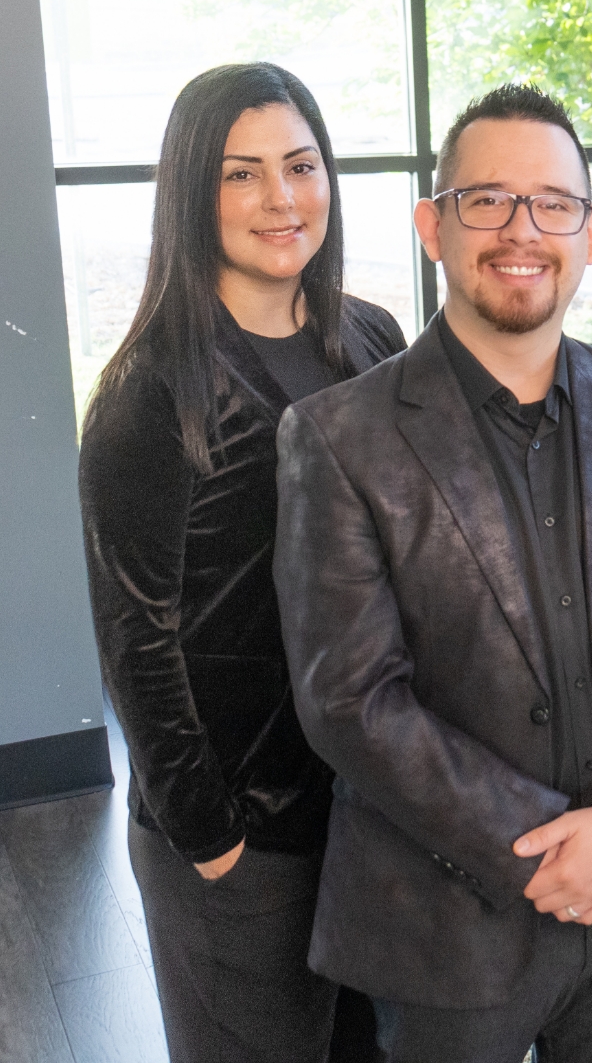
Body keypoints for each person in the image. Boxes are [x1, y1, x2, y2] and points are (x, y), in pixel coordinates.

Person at [273, 83, 592, 1063]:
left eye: (551, 204)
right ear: (431, 225)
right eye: (486, 199)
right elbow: (351, 699)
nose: (519, 229)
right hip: (443, 925)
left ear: (588, 232)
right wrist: (544, 847)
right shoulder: (337, 436)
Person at [80, 62, 407, 1063]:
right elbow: (138, 639)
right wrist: (209, 834)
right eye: (241, 173)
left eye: (301, 165)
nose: (282, 197)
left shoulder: (371, 336)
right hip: (241, 832)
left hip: (369, 808)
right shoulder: (151, 391)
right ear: (192, 191)